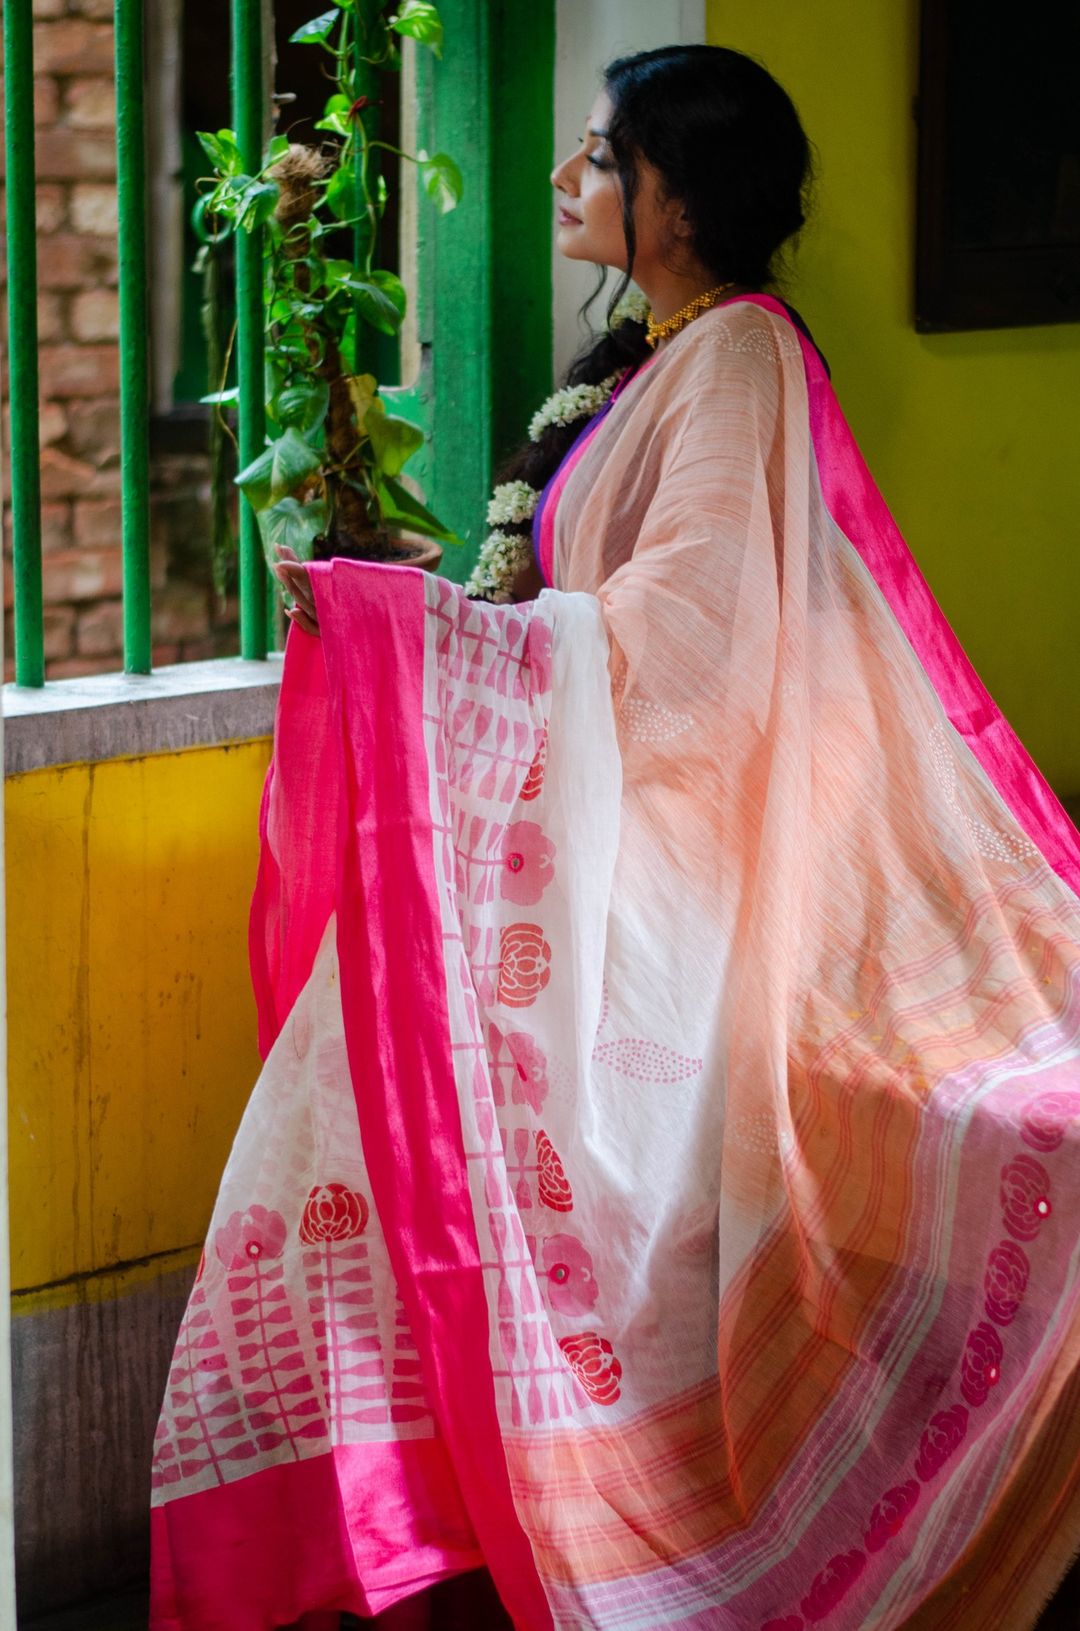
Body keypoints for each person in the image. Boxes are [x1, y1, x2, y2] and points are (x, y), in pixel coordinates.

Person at [151, 45, 1080, 1631]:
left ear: (675, 195)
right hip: (600, 840)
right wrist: (433, 634)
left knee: (477, 1124)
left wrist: (445, 653)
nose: (577, 176)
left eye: (602, 155)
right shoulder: (643, 357)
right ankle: (435, 1510)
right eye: (580, 151)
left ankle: (593, 1509)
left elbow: (697, 644)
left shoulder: (735, 363)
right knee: (380, 1086)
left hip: (675, 866)